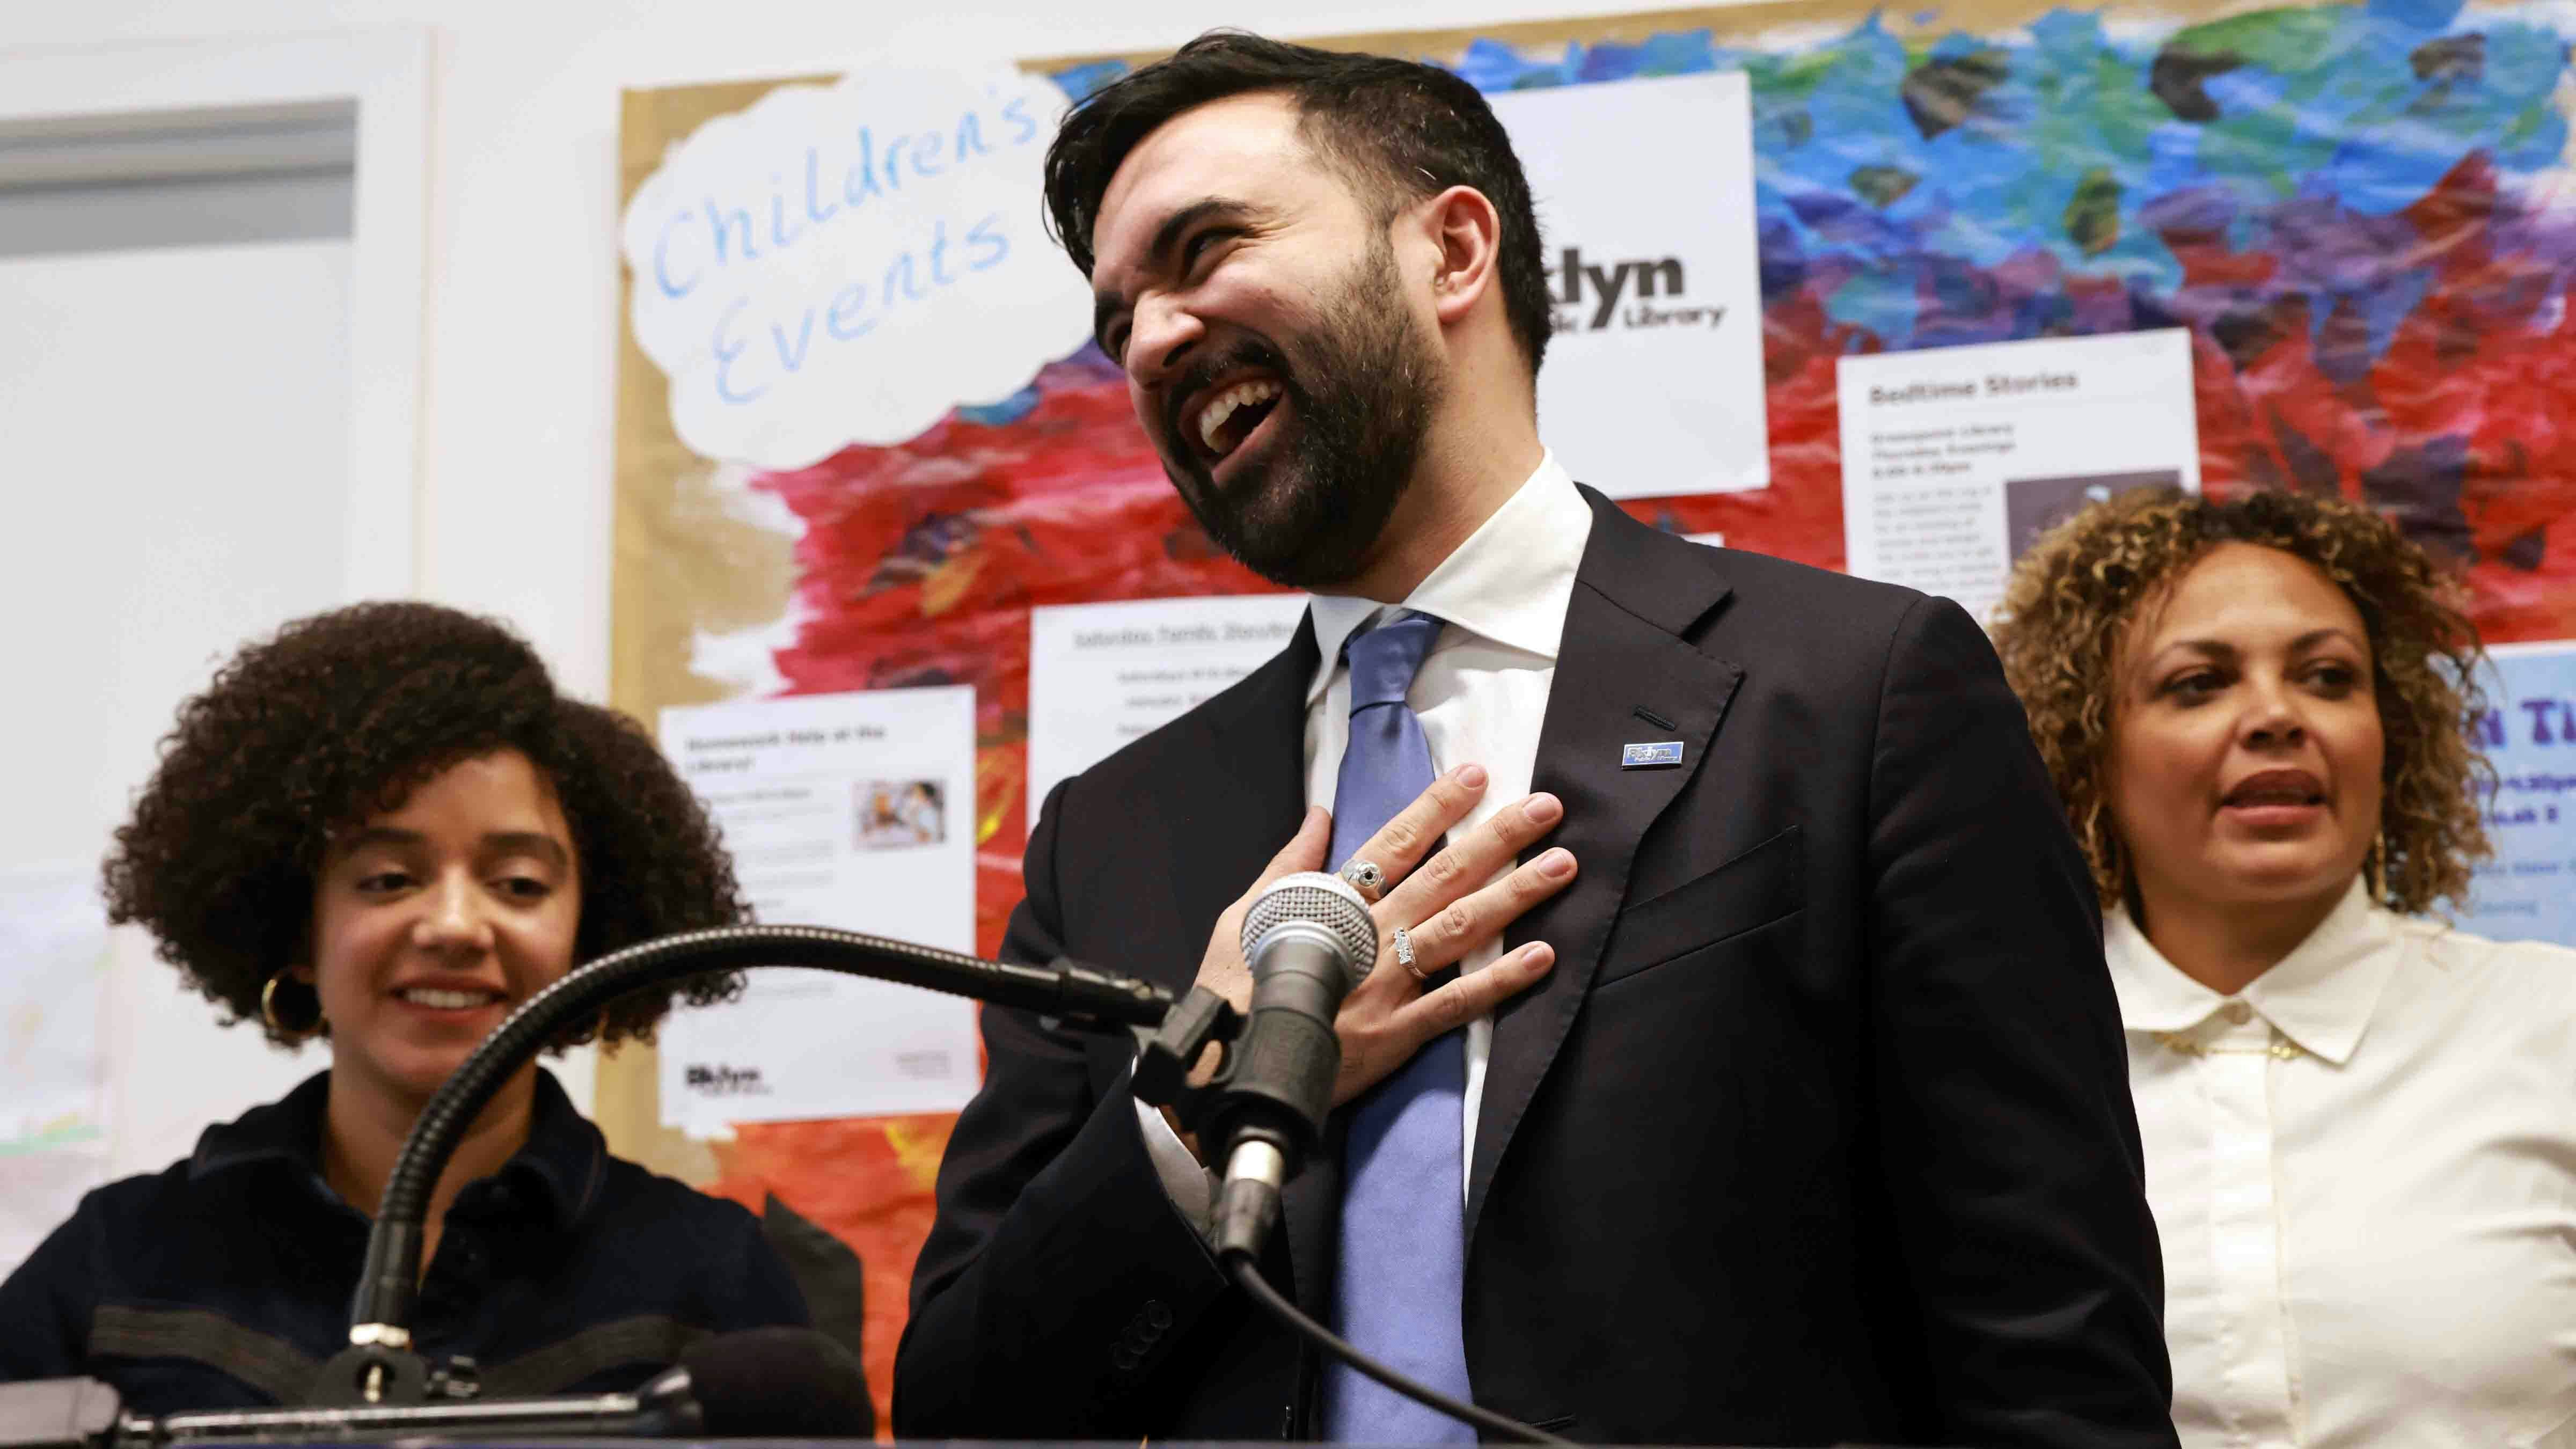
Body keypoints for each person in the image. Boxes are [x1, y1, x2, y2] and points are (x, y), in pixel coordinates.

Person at [895, 31, 2176, 1446]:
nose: (1147, 340)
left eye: (1204, 250)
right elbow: (964, 1402)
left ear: (1451, 253)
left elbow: (2051, 1352)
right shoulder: (1116, 831)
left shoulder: (1856, 696)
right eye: (1119, 316)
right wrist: (1200, 1103)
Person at [0, 602, 809, 1414]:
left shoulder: (709, 1278)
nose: (455, 926)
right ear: (297, 930)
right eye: (389, 878)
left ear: (593, 939)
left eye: (519, 885)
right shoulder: (114, 1270)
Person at [1993, 486, 2576, 1447]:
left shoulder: (2552, 1025)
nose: (2276, 715)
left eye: (2329, 678)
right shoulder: (1993, 1070)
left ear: (2391, 740)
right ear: (2087, 747)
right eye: (2197, 684)